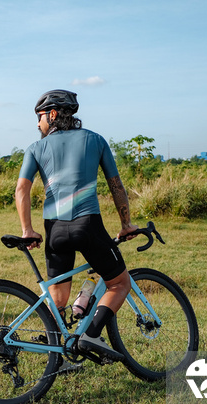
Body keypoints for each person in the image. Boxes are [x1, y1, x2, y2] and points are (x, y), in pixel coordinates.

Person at [15, 89, 138, 362]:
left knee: (58, 300)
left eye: (39, 118)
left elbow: (22, 190)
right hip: (87, 225)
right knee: (119, 283)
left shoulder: (36, 148)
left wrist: (27, 230)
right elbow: (116, 185)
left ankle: (58, 359)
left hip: (54, 231)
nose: (37, 124)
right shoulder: (95, 140)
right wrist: (126, 223)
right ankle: (91, 335)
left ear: (53, 114)